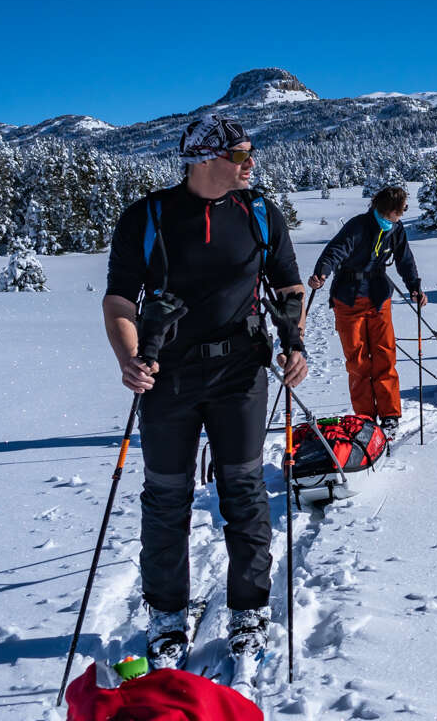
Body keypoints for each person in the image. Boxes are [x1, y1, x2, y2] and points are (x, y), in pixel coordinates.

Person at [103, 115, 307, 669]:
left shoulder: (260, 214)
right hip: (166, 379)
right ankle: (167, 614)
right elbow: (120, 301)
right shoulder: (149, 217)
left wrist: (294, 343)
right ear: (203, 159)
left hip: (241, 374)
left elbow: (288, 286)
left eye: (251, 153)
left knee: (243, 492)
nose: (251, 162)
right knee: (165, 498)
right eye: (240, 155)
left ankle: (249, 608)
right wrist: (129, 358)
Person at [308, 186, 426, 440]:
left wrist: (415, 287)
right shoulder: (358, 226)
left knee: (385, 356)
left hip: (378, 298)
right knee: (358, 362)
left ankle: (390, 416)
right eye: (402, 210)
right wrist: (322, 272)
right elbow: (334, 251)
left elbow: (405, 260)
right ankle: (365, 418)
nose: (403, 214)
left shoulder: (395, 229)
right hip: (349, 300)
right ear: (389, 210)